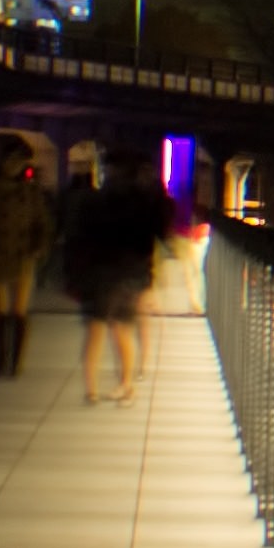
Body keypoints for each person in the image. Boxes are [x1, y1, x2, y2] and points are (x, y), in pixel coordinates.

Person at [62, 150, 171, 406]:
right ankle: (126, 386)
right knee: (120, 328)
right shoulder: (141, 204)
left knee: (98, 329)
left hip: (103, 272)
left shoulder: (95, 202)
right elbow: (153, 238)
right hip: (127, 272)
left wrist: (75, 274)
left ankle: (93, 391)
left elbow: (80, 238)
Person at [0, 137, 55, 379]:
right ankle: (0, 361)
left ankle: (15, 363)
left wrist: (38, 248)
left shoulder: (30, 192)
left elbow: (42, 224)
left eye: (21, 161)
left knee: (19, 311)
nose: (17, 166)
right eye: (14, 161)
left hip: (23, 255)